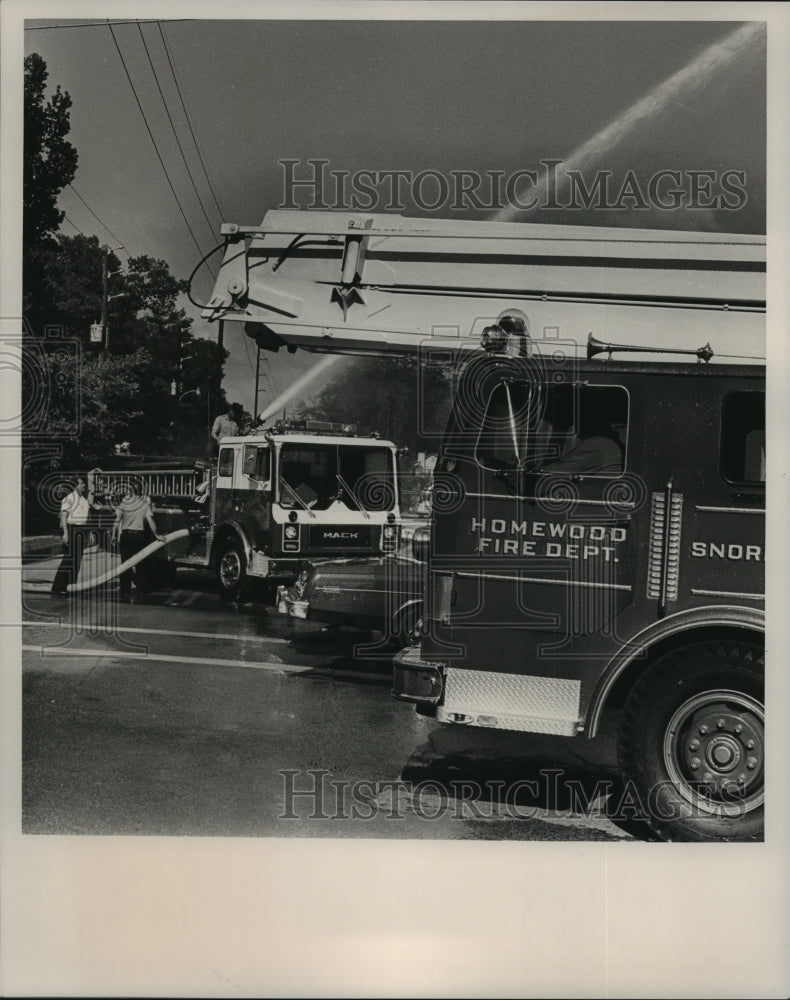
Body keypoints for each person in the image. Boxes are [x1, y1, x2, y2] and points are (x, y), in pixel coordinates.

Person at [111, 482, 165, 602]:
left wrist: (114, 535)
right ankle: (141, 588)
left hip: (126, 536)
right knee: (140, 563)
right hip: (139, 536)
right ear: (140, 492)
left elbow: (116, 521)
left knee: (125, 563)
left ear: (131, 491)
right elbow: (150, 520)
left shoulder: (124, 504)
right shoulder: (144, 505)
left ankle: (125, 589)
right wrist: (157, 535)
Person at [51, 476, 97, 597]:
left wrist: (90, 532)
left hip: (82, 530)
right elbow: (64, 516)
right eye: (82, 484)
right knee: (68, 559)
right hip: (71, 529)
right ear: (75, 485)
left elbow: (87, 518)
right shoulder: (69, 498)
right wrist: (65, 533)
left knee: (77, 560)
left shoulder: (85, 500)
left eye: (84, 484)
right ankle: (57, 588)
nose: (84, 486)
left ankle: (71, 586)